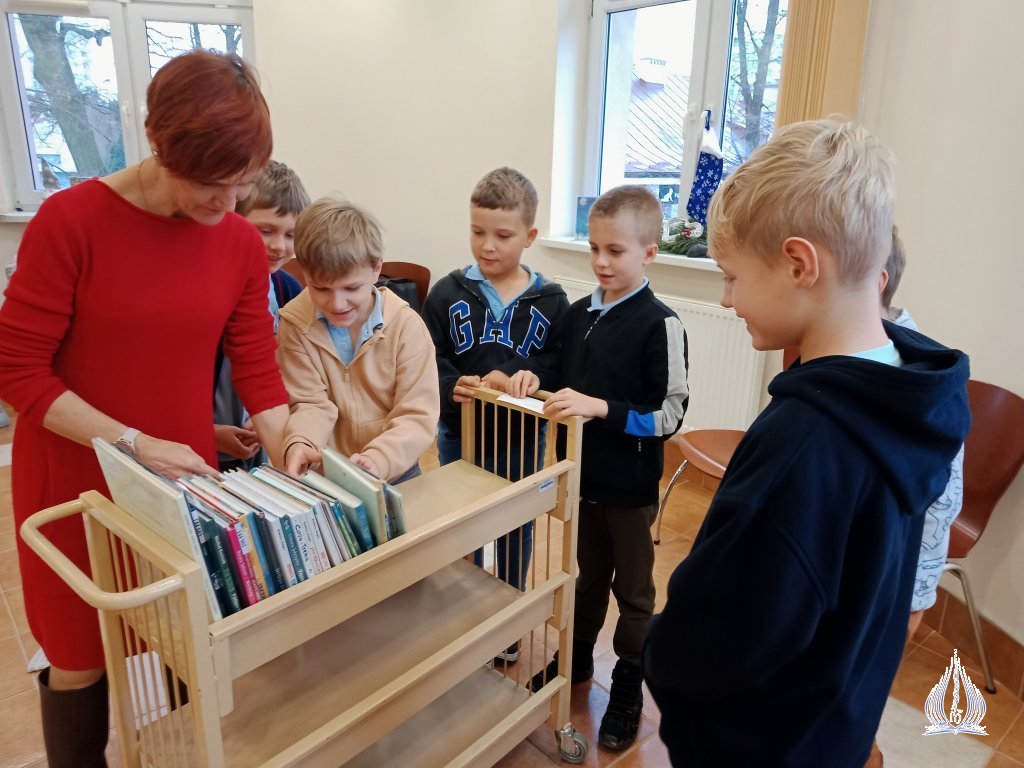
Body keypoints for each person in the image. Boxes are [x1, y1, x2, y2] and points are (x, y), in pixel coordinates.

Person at [642, 120, 971, 767]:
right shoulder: (914, 394)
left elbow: (716, 641)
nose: (728, 300)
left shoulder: (805, 444)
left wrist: (658, 649)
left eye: (732, 277)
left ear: (799, 264)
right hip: (834, 728)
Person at [0, 50, 291, 767]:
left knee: (182, 641)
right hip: (73, 480)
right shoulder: (70, 222)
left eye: (243, 185)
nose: (227, 205)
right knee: (78, 657)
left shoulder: (237, 244)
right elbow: (16, 371)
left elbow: (257, 367)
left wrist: (293, 449)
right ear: (160, 144)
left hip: (180, 484)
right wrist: (132, 441)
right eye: (210, 185)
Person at [537, 185, 689, 751]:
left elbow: (670, 415)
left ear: (649, 253)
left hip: (629, 489)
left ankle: (627, 683)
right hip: (583, 479)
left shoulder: (660, 324)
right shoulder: (578, 315)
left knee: (635, 592)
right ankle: (575, 662)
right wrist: (533, 380)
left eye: (616, 251)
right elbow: (559, 378)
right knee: (587, 578)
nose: (601, 262)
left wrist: (602, 408)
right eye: (594, 249)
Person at [421, 167, 569, 660]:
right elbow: (429, 357)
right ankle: (465, 612)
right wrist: (451, 385)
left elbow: (557, 362)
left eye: (503, 236)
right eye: (477, 231)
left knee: (516, 525)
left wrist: (527, 374)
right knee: (462, 524)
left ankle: (506, 618)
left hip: (521, 441)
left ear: (529, 236)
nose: (487, 246)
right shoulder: (445, 293)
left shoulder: (553, 301)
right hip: (459, 434)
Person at [863, 227, 965, 768]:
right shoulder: (848, 355)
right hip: (850, 581)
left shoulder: (918, 379)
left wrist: (911, 599)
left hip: (891, 585)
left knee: (854, 704)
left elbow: (938, 506)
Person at [278, 198, 439, 483]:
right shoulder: (294, 324)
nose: (337, 303)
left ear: (377, 268)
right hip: (327, 474)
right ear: (305, 274)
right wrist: (301, 441)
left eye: (351, 288)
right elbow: (308, 403)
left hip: (395, 471)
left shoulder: (406, 326)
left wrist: (378, 459)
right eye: (321, 288)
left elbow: (416, 414)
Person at [214, 160, 311, 471]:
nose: (278, 246)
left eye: (291, 235)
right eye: (265, 231)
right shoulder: (210, 295)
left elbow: (294, 366)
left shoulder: (288, 289)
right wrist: (211, 433)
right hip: (202, 444)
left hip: (262, 438)